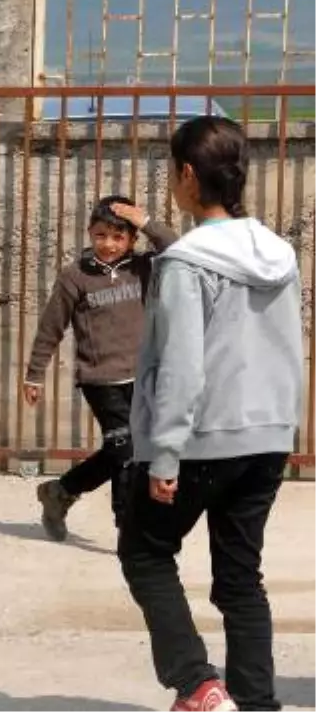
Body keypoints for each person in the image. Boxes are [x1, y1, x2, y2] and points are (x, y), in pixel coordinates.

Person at [120, 117, 300, 712]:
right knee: (240, 577)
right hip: (268, 436)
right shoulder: (280, 253)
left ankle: (197, 684)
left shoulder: (186, 261)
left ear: (188, 176)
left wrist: (164, 452)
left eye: (173, 172)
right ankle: (255, 703)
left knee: (144, 551)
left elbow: (181, 366)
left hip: (201, 440)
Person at [22, 195, 178, 540]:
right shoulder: (74, 277)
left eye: (118, 237)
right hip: (100, 379)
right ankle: (129, 528)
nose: (109, 244)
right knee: (126, 450)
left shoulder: (143, 267)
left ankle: (60, 491)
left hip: (142, 376)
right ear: (90, 233)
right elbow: (51, 327)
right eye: (100, 235)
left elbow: (174, 246)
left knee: (130, 450)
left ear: (132, 239)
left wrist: (144, 219)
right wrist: (34, 373)